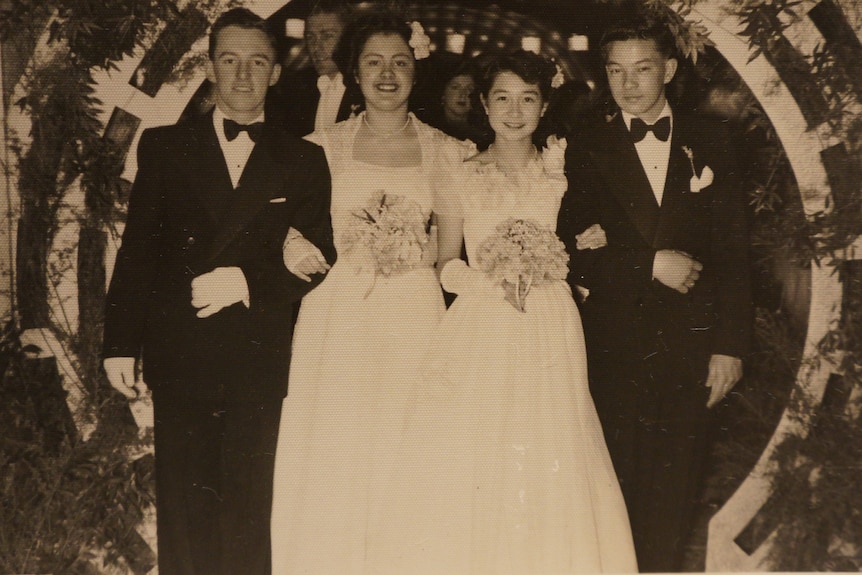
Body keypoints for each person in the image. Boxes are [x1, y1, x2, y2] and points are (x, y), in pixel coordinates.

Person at [364, 50, 638, 574]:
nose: (515, 112)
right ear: (484, 105)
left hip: (550, 321)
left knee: (550, 442)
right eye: (503, 99)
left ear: (543, 105)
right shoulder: (458, 171)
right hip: (481, 325)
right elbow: (446, 263)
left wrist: (556, 263)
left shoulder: (562, 166)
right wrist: (494, 278)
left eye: (527, 99)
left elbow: (588, 239)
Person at [102, 8, 336, 575]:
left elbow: (320, 259)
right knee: (185, 510)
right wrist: (118, 344)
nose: (243, 75)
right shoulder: (163, 146)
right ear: (211, 67)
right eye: (229, 61)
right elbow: (138, 254)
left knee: (248, 511)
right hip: (180, 353)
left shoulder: (303, 158)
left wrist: (248, 282)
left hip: (257, 357)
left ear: (276, 72)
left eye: (257, 62)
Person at [269, 11, 473, 573]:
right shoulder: (318, 147)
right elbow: (284, 226)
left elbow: (451, 258)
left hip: (413, 317)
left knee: (408, 449)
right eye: (374, 62)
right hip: (337, 317)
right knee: (337, 451)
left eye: (400, 62)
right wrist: (295, 248)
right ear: (354, 73)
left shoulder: (446, 152)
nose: (388, 74)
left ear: (416, 73)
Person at [557, 16, 752, 572]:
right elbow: (565, 251)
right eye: (615, 71)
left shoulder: (713, 139)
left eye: (642, 69)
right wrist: (647, 265)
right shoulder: (581, 146)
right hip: (612, 348)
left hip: (692, 348)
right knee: (613, 498)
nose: (628, 83)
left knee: (675, 496)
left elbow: (736, 254)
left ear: (668, 68)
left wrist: (730, 347)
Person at [267, 0, 364, 137]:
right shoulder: (295, 88)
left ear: (350, 38)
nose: (316, 47)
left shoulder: (365, 86)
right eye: (310, 37)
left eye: (327, 36)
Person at [425, 59, 492, 149]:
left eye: (469, 89)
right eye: (455, 87)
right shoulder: (429, 130)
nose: (463, 94)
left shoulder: (484, 133)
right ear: (442, 93)